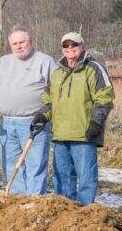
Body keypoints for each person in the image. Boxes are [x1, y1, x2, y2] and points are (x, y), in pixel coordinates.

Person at [35, 32, 114, 205]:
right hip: (60, 135)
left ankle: (85, 214)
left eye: (74, 45)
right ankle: (65, 212)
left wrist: (96, 122)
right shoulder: (57, 74)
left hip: (84, 134)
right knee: (62, 177)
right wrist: (41, 116)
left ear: (82, 46)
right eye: (66, 45)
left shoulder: (93, 68)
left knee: (86, 178)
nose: (70, 48)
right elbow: (49, 102)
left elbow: (105, 98)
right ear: (62, 49)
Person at [0, 26, 58, 195]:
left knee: (35, 165)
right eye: (14, 43)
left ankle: (35, 202)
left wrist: (45, 114)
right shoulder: (4, 62)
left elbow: (56, 93)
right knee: (10, 163)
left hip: (34, 123)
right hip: (8, 122)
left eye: (21, 42)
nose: (18, 46)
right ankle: (18, 201)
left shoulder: (45, 61)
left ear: (30, 41)